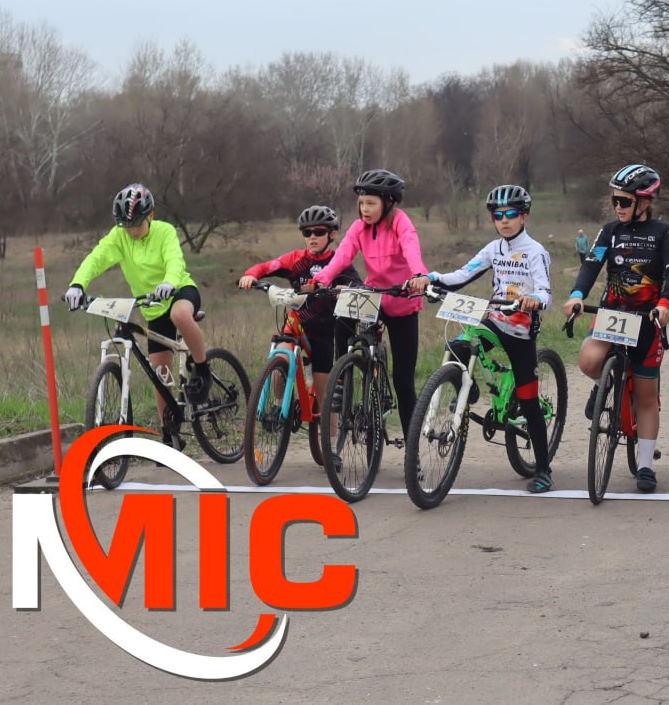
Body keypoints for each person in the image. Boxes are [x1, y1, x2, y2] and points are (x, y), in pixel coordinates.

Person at [410, 185, 555, 493]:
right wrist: (431, 278)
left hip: (521, 330)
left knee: (528, 401)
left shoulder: (535, 251)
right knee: (458, 346)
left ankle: (543, 469)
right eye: (498, 216)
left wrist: (535, 299)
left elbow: (545, 291)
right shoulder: (493, 249)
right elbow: (462, 275)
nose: (504, 220)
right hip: (496, 320)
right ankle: (468, 387)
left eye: (511, 214)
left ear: (524, 216)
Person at [563, 164, 669, 493]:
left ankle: (645, 465)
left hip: (647, 320)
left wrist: (665, 304)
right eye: (614, 200)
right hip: (613, 315)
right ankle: (605, 384)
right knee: (589, 359)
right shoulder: (609, 231)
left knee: (646, 396)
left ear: (645, 202)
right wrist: (577, 295)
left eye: (625, 201)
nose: (618, 206)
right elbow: (592, 263)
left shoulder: (663, 232)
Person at [64, 183, 212, 439]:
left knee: (179, 315)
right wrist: (77, 284)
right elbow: (96, 258)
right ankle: (169, 434)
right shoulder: (119, 236)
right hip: (152, 308)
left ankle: (202, 369)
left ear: (150, 216)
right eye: (126, 225)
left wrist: (169, 282)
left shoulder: (165, 231)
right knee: (160, 373)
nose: (131, 230)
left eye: (137, 224)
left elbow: (174, 260)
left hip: (179, 291)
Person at [307, 169, 428, 438]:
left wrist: (419, 275)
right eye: (361, 203)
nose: (364, 209)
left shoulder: (401, 223)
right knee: (345, 308)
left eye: (371, 203)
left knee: (403, 381)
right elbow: (341, 256)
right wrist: (323, 278)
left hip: (402, 302)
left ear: (388, 202)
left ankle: (412, 448)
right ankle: (343, 374)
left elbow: (412, 251)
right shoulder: (359, 227)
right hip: (375, 296)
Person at [237, 205, 361, 416]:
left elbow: (357, 285)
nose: (312, 237)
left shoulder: (339, 262)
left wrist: (342, 289)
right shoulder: (295, 259)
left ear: (332, 234)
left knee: (325, 405)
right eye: (307, 232)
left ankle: (329, 436)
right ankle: (278, 408)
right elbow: (266, 267)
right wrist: (250, 275)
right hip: (297, 324)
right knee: (280, 356)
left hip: (324, 332)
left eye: (319, 232)